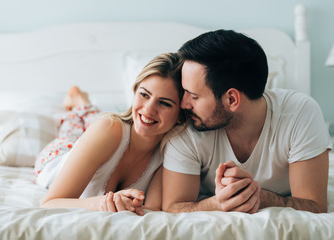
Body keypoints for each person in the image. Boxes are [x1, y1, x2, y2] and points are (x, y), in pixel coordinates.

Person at [162, 30, 332, 214]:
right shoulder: (187, 124)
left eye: (194, 96)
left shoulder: (300, 114)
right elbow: (173, 207)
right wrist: (217, 203)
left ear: (232, 100)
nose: (184, 103)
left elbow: (314, 205)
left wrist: (257, 196)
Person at [35, 53, 186, 215]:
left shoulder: (171, 153)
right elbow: (49, 203)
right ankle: (78, 100)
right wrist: (102, 203)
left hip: (104, 137)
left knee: (95, 124)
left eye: (164, 103)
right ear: (135, 92)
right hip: (58, 155)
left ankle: (82, 103)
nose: (148, 109)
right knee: (75, 130)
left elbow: (151, 210)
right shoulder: (107, 128)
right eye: (144, 94)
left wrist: (121, 203)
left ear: (180, 115)